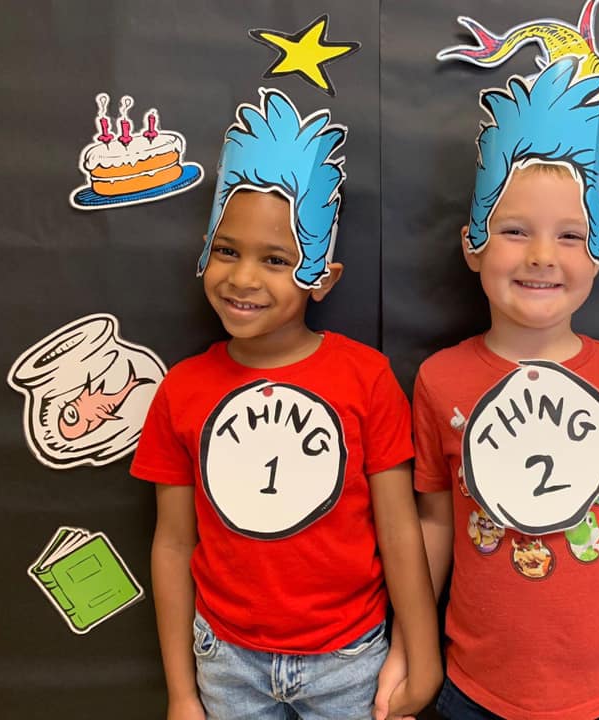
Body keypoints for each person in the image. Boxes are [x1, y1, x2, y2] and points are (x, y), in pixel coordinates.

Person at [405, 58, 599, 720]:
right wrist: (409, 650)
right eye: (515, 230)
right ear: (473, 244)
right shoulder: (440, 380)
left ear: (598, 250)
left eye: (570, 236)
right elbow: (434, 523)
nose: (542, 255)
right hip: (475, 694)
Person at [131, 88, 441, 720]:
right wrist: (182, 693)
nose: (244, 279)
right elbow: (171, 544)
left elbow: (400, 529)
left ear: (323, 276)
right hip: (226, 661)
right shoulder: (182, 389)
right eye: (227, 250)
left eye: (277, 260)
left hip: (352, 660)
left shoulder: (366, 376)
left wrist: (423, 654)